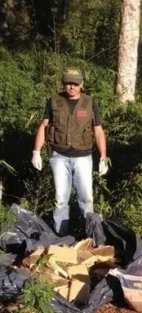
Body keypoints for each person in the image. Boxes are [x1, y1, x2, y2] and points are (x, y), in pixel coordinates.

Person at [31, 67, 109, 236]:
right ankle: (61, 237)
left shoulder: (90, 102)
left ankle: (89, 237)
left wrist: (103, 157)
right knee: (60, 200)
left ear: (81, 84)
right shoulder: (54, 101)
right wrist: (36, 151)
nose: (71, 87)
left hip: (83, 157)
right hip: (58, 156)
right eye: (67, 83)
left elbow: (98, 131)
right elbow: (44, 126)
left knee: (86, 199)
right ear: (63, 84)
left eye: (75, 83)